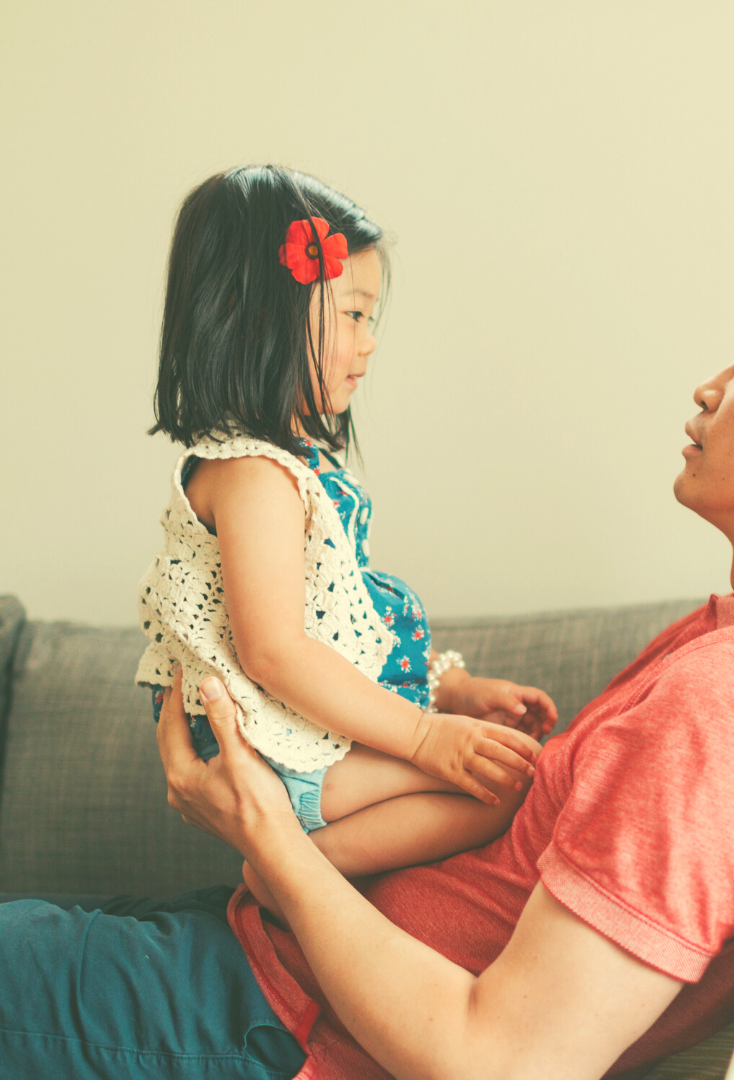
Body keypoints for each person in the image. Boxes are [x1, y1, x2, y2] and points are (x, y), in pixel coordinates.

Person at [0, 249, 734, 1080]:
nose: (709, 387)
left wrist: (264, 830)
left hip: (271, 1028)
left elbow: (502, 1062)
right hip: (271, 963)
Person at [135, 165, 557, 895]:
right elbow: (275, 652)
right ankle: (294, 876)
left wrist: (450, 690)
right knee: (506, 790)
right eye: (354, 314)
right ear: (257, 316)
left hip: (309, 742)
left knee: (506, 772)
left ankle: (304, 873)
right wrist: (427, 737)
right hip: (279, 754)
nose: (370, 342)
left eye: (372, 318)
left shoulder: (296, 469)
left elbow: (346, 626)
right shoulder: (253, 476)